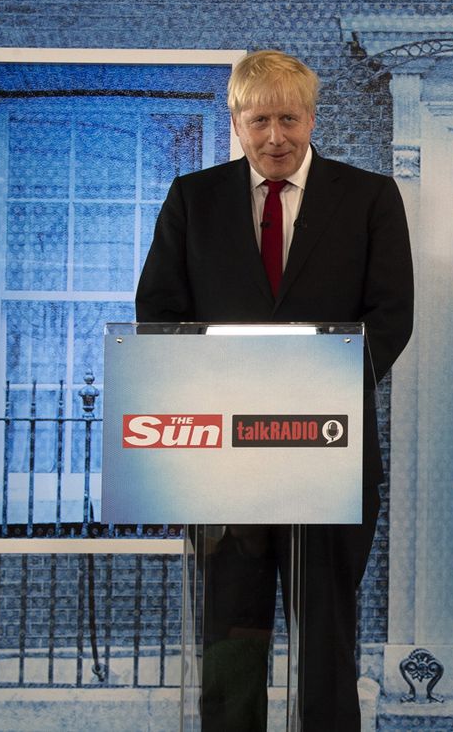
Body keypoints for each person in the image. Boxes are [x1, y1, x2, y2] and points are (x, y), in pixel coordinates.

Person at [136, 50, 414, 730]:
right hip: (226, 465)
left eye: (289, 119)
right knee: (232, 641)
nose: (275, 137)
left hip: (330, 456)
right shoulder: (191, 201)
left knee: (326, 640)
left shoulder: (370, 197)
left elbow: (392, 316)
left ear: (312, 117)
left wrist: (305, 392)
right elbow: (159, 315)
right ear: (236, 121)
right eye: (259, 120)